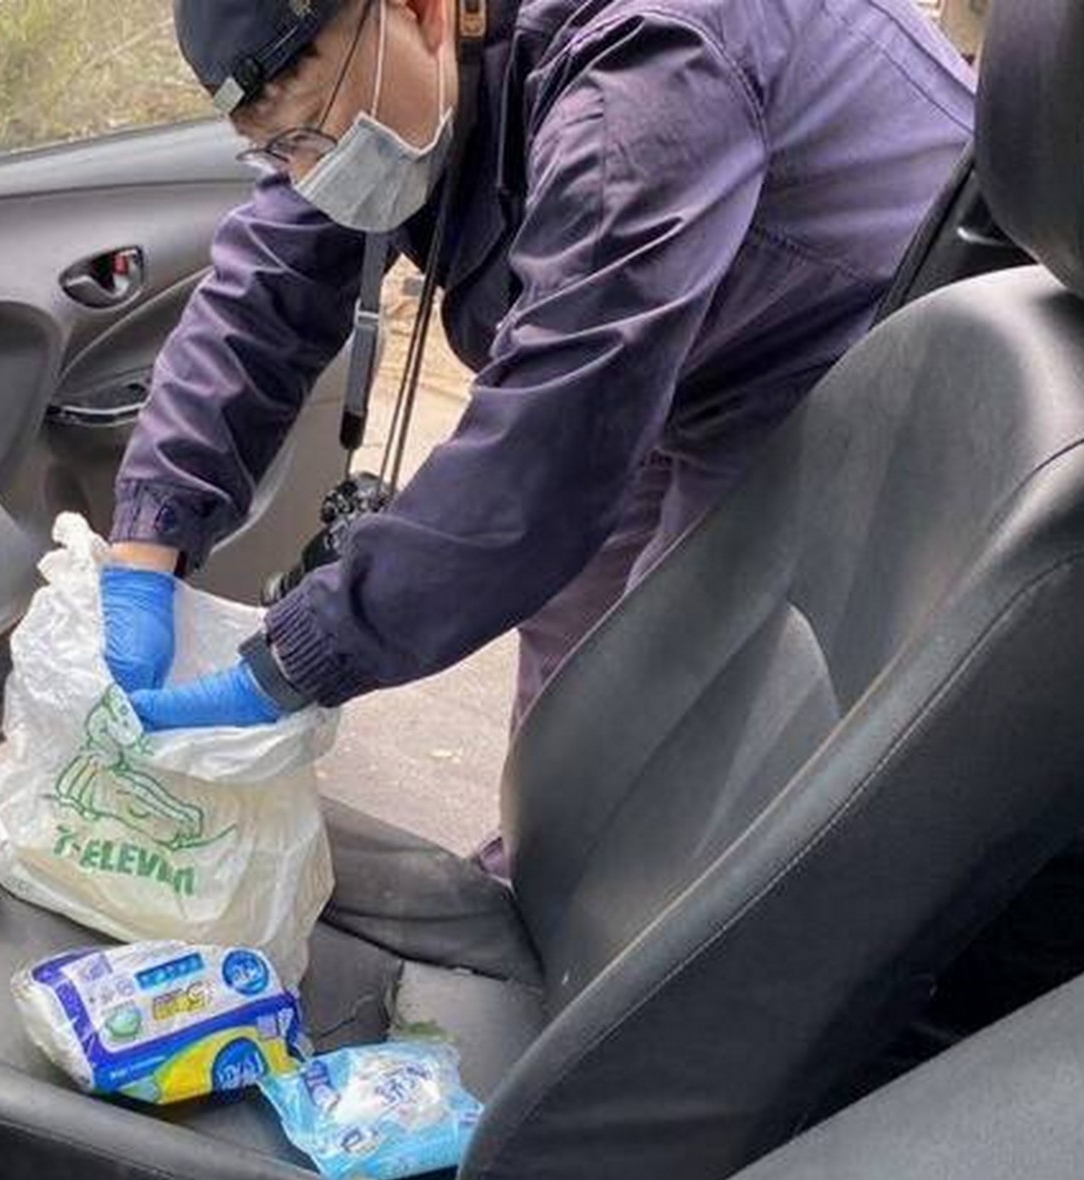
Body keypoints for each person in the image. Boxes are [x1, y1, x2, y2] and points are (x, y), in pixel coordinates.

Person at [101, 0, 974, 857]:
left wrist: (301, 654)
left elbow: (553, 442)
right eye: (274, 149)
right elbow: (262, 292)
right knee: (574, 694)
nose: (306, 173)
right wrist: (148, 544)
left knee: (676, 698)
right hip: (681, 339)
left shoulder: (649, 74)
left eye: (309, 133)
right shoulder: (383, 77)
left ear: (423, 13)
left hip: (850, 343)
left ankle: (620, 908)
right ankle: (548, 866)